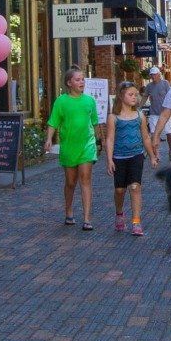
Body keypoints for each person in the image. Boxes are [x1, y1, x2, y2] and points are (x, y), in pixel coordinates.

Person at [46, 68, 100, 230]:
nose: (81, 82)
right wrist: (49, 138)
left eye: (83, 79)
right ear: (69, 83)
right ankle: (69, 211)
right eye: (78, 80)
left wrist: (99, 141)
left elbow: (95, 123)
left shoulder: (90, 101)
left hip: (87, 145)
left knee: (85, 179)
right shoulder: (61, 101)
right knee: (70, 182)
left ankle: (87, 218)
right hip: (69, 146)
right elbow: (53, 122)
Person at [107, 79, 156, 235]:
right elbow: (110, 139)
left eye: (136, 94)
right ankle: (119, 213)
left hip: (136, 155)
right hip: (119, 157)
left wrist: (152, 156)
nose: (135, 97)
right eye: (131, 94)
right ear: (121, 96)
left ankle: (136, 221)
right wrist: (109, 160)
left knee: (135, 187)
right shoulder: (113, 117)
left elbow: (146, 137)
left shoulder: (140, 115)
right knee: (120, 190)